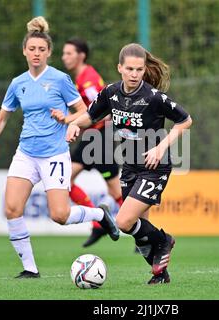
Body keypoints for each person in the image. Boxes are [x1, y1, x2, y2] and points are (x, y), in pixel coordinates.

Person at [0, 17, 119, 279]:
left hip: (54, 154)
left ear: (48, 53)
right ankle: (30, 268)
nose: (36, 54)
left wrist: (70, 122)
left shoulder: (60, 79)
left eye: (41, 50)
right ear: (24, 51)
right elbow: (2, 117)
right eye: (32, 49)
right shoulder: (17, 83)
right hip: (26, 154)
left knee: (60, 215)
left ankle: (100, 213)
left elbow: (85, 111)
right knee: (11, 208)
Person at [53, 43, 193, 284]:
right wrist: (75, 124)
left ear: (144, 69)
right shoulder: (110, 92)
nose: (134, 74)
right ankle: (160, 274)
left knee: (124, 221)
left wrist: (161, 147)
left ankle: (164, 240)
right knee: (140, 229)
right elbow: (91, 115)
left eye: (139, 69)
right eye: (129, 69)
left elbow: (185, 120)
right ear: (120, 68)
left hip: (154, 168)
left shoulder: (153, 97)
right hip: (129, 166)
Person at [62, 38, 123, 248]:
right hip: (91, 139)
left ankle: (144, 231)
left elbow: (104, 110)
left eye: (69, 53)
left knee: (116, 192)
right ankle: (99, 221)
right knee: (63, 180)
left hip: (99, 139)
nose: (64, 57)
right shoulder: (79, 78)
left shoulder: (88, 80)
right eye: (64, 53)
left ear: (81, 55)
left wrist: (68, 120)